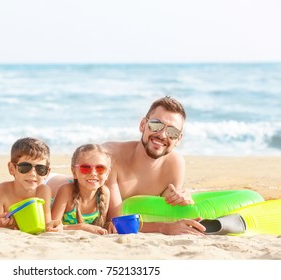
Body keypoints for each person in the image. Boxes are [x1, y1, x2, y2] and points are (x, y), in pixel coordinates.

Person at [102, 96, 205, 235]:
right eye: (156, 124)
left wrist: (182, 197)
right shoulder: (111, 156)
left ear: (178, 139)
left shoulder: (175, 164)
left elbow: (167, 209)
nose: (162, 135)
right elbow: (114, 222)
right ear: (143, 125)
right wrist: (164, 228)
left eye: (172, 132)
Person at [0, 137, 55, 231]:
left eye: (40, 169)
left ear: (47, 173)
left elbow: (47, 225)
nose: (33, 173)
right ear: (12, 168)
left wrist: (56, 227)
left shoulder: (43, 191)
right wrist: (0, 225)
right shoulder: (0, 193)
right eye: (25, 167)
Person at [51, 144, 111, 235]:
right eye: (85, 168)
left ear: (107, 173)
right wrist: (82, 227)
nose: (93, 173)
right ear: (74, 172)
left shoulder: (104, 193)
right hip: (50, 181)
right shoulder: (66, 191)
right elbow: (53, 226)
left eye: (100, 168)